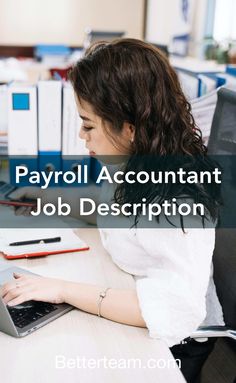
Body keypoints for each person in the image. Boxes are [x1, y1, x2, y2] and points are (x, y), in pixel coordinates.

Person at [1, 39, 224, 382]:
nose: (81, 135)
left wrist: (61, 289)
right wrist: (45, 197)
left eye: (88, 125)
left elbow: (174, 307)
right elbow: (112, 210)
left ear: (130, 128)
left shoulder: (180, 199)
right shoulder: (135, 163)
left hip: (172, 343)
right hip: (126, 288)